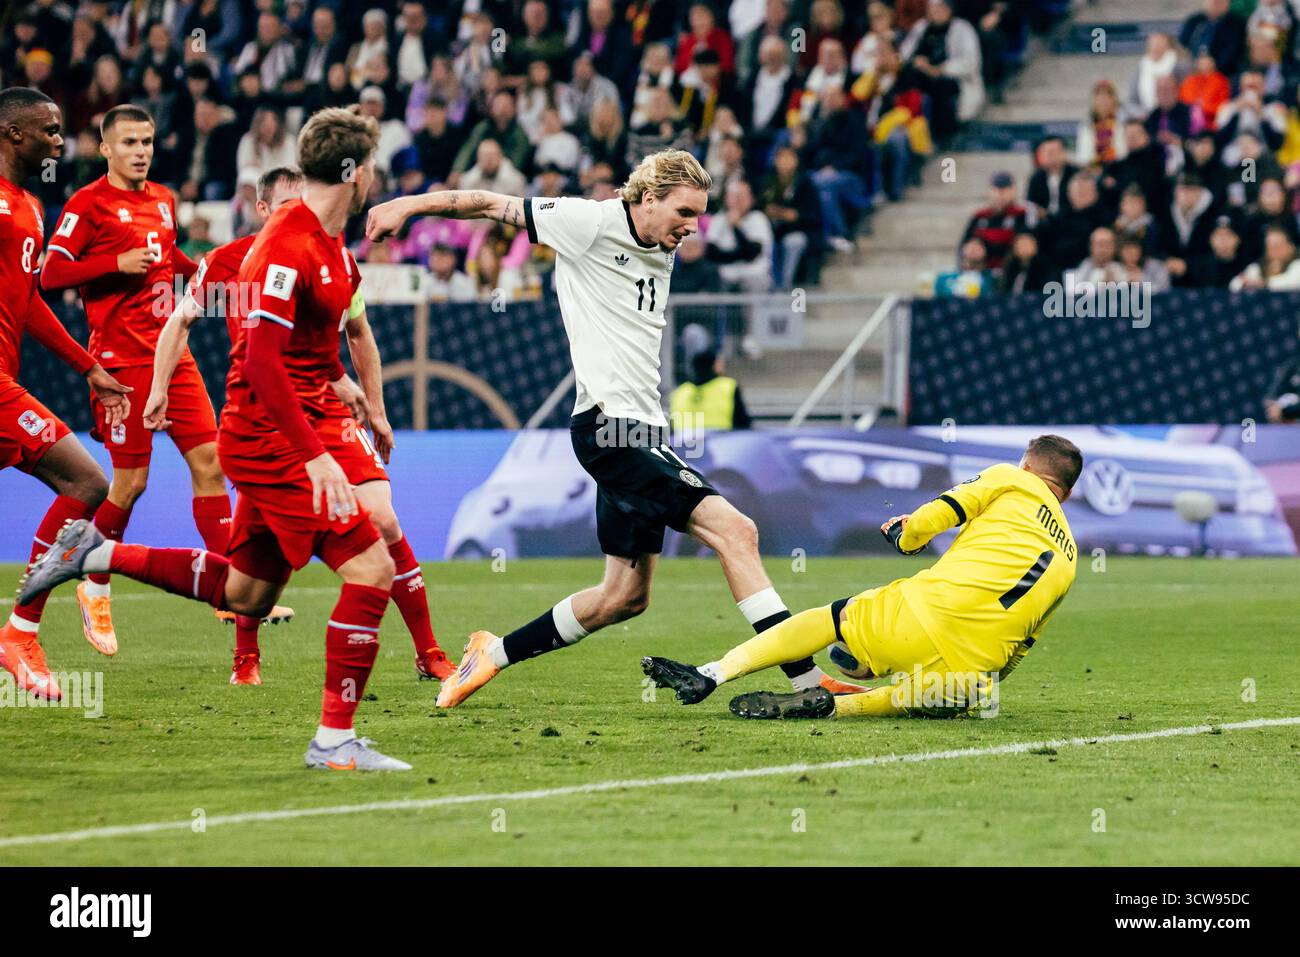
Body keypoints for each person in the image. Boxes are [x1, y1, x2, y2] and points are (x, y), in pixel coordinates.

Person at [364, 148, 868, 708]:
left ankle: (491, 653)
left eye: (699, 215)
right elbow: (485, 201)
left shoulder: (660, 244)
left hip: (644, 432)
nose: (692, 227)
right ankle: (806, 680)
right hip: (611, 430)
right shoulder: (588, 221)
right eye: (684, 212)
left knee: (623, 597)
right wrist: (405, 205)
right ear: (647, 198)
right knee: (737, 531)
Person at [22, 106, 411, 772]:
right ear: (356, 172)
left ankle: (94, 552)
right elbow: (260, 359)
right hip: (271, 441)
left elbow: (299, 349)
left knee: (244, 594)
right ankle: (334, 740)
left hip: (269, 433)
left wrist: (344, 391)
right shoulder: (289, 242)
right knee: (372, 569)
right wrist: (316, 455)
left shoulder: (321, 241)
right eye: (373, 165)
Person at [145, 167, 453, 687]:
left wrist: (374, 407)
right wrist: (158, 389)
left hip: (326, 411)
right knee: (250, 574)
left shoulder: (332, 254)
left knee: (382, 516)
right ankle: (246, 657)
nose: (301, 209)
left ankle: (429, 652)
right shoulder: (226, 263)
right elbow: (180, 322)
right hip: (263, 414)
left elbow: (358, 334)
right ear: (263, 209)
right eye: (287, 203)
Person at [642, 435, 1083, 721]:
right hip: (968, 670)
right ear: (1067, 491)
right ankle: (838, 708)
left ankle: (712, 673)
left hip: (922, 616)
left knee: (831, 619)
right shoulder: (1071, 555)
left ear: (1028, 467)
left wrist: (906, 538)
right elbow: (1020, 653)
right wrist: (980, 681)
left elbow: (941, 512)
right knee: (935, 693)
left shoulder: (1011, 479)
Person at [39, 104, 232, 658]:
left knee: (211, 463)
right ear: (105, 149)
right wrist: (112, 263)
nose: (141, 151)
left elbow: (165, 256)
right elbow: (50, 275)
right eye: (128, 143)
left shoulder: (165, 200)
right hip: (120, 363)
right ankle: (94, 587)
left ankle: (228, 586)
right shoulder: (86, 204)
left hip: (174, 354)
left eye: (146, 141)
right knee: (130, 484)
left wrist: (203, 271)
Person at [0, 88, 132, 699]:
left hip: (7, 380)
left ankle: (20, 632)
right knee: (89, 483)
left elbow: (27, 304)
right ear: (13, 133)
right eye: (49, 130)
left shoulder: (28, 207)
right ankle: (20, 632)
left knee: (87, 485)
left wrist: (88, 367)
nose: (60, 140)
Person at [669, 349, 752, 432]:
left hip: (685, 443)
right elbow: (742, 423)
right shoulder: (728, 387)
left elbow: (672, 427)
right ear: (716, 365)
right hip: (720, 442)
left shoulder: (680, 392)